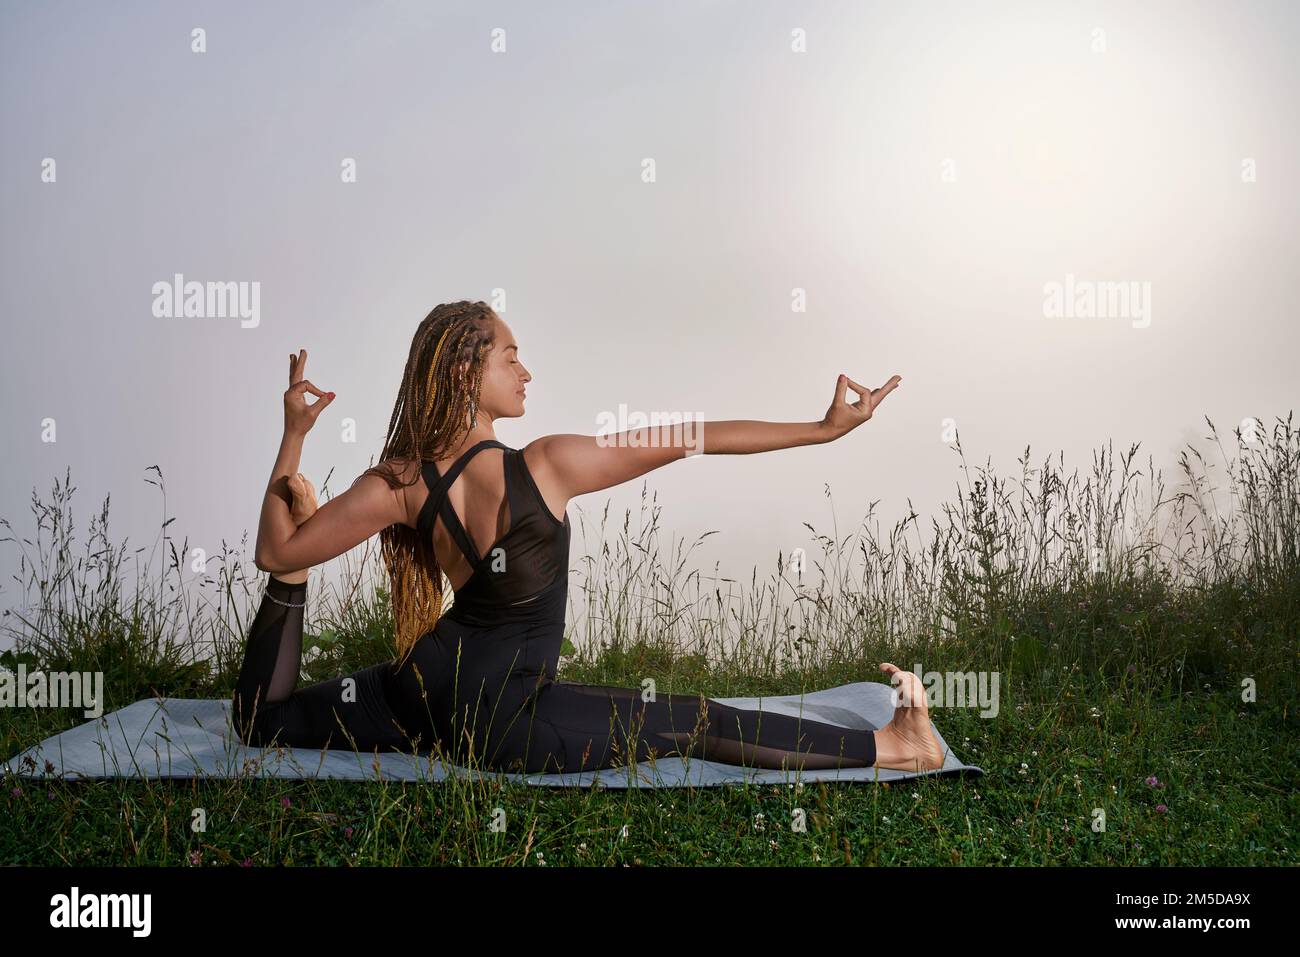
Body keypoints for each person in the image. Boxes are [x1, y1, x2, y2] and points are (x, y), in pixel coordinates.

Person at [232, 300, 946, 775]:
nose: (525, 369)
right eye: (510, 355)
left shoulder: (396, 483)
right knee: (694, 719)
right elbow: (690, 437)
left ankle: (892, 743)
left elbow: (277, 555)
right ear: (463, 371)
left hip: (419, 694)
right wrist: (821, 430)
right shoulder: (547, 463)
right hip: (502, 726)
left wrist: (292, 439)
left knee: (265, 722)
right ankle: (895, 745)